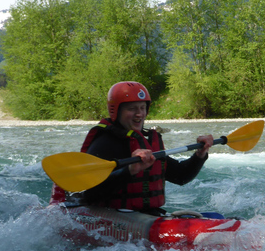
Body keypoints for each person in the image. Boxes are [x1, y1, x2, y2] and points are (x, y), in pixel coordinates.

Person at [51, 81, 213, 214]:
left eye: (142, 108)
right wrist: (130, 171)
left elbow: (180, 177)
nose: (139, 114)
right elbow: (91, 193)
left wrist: (200, 155)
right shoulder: (105, 142)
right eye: (132, 108)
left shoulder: (145, 142)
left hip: (143, 216)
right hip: (108, 217)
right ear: (116, 111)